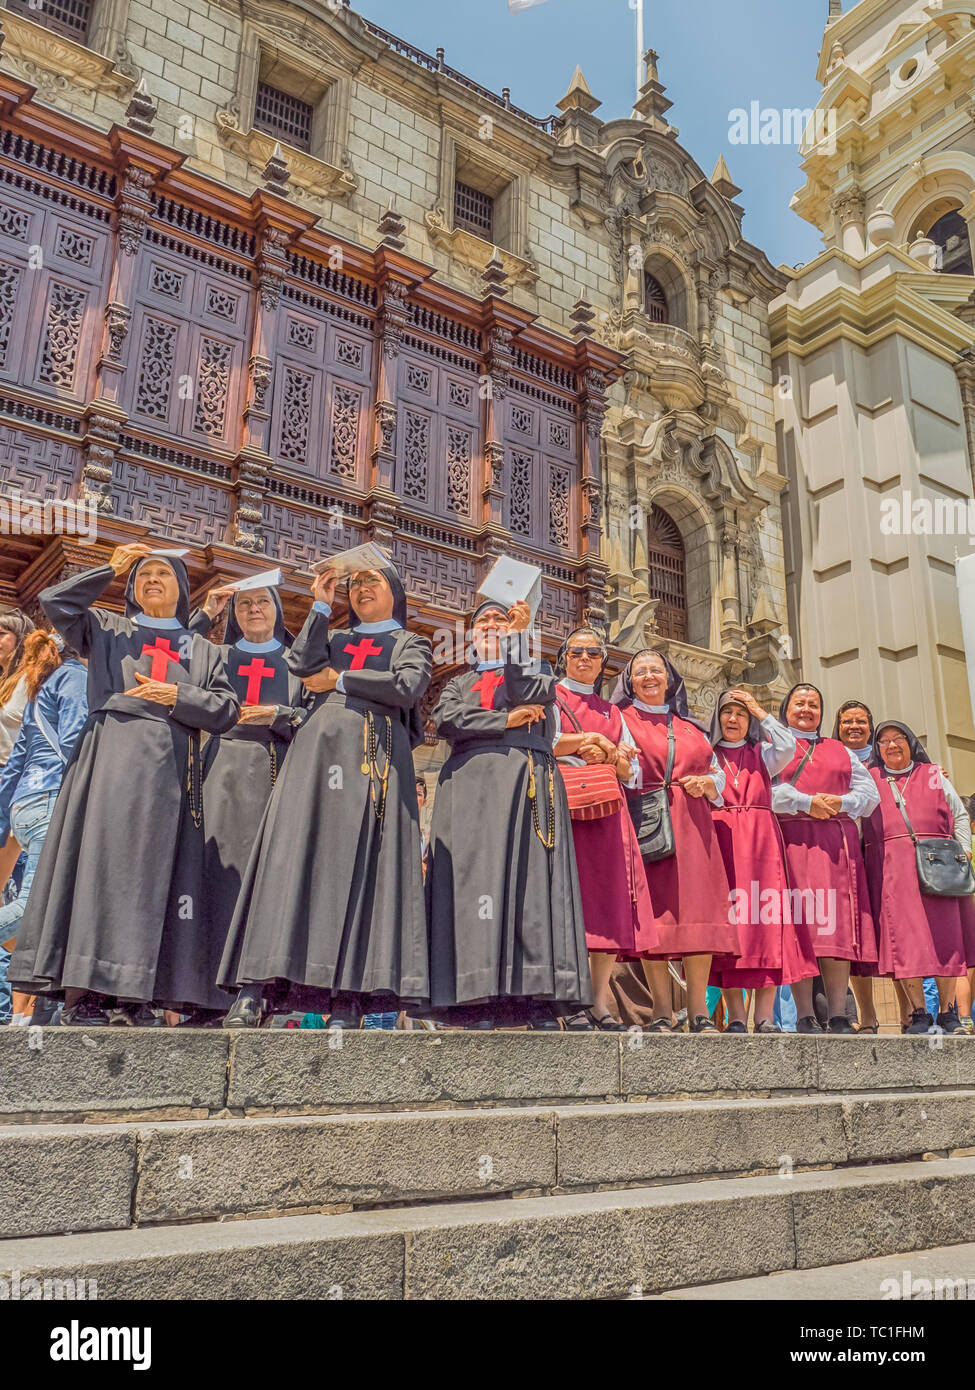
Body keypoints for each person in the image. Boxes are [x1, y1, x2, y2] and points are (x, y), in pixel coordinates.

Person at [8, 544, 239, 1025]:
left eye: (163, 573)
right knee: (100, 872)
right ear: (131, 589)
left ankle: (137, 996)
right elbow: (55, 603)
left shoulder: (205, 650)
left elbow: (226, 709)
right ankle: (86, 995)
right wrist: (109, 568)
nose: (152, 579)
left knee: (158, 880)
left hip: (173, 774)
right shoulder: (109, 629)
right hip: (110, 762)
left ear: (181, 589)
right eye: (143, 574)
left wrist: (178, 694)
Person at [219, 559, 431, 1029]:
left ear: (395, 591)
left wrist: (338, 681)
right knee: (289, 865)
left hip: (372, 762)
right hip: (312, 763)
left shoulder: (411, 643)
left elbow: (406, 686)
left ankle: (348, 999)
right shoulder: (334, 639)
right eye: (353, 585)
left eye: (371, 581)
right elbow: (299, 664)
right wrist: (319, 602)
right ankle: (256, 989)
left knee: (364, 875)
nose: (359, 590)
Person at [425, 600, 591, 1030]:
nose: (493, 625)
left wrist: (518, 641)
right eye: (484, 620)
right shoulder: (459, 682)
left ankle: (535, 997)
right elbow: (447, 718)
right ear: (471, 635)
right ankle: (473, 997)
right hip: (466, 792)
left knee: (528, 884)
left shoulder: (535, 668)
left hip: (524, 786)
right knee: (472, 889)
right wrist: (505, 720)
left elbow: (531, 694)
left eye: (501, 619)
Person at [187, 580, 312, 1027]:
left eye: (262, 602)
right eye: (244, 604)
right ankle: (204, 1000)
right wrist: (205, 612)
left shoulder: (298, 664)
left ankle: (257, 994)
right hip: (219, 772)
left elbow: (317, 717)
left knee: (261, 886)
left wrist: (278, 715)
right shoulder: (218, 657)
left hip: (274, 773)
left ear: (278, 611)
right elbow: (168, 652)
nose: (254, 609)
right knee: (214, 880)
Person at [611, 650, 735, 1034]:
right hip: (649, 822)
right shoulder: (621, 721)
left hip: (695, 825)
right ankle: (662, 1011)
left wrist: (707, 783)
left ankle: (698, 1011)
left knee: (699, 916)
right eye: (641, 672)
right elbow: (624, 773)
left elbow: (720, 776)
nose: (649, 677)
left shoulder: (690, 726)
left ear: (669, 679)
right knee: (657, 918)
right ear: (630, 682)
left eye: (656, 670)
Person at [552, 626, 657, 1030]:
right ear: (564, 657)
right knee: (567, 906)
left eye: (593, 653)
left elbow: (633, 774)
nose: (584, 658)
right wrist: (587, 742)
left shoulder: (615, 712)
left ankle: (597, 1001)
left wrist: (612, 756)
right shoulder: (549, 695)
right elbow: (541, 738)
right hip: (564, 809)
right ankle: (566, 1000)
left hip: (609, 814)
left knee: (607, 908)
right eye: (576, 651)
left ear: (602, 662)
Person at [771, 683, 880, 1034]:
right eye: (799, 704)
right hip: (791, 844)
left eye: (813, 705)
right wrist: (807, 802)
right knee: (799, 929)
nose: (806, 710)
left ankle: (837, 1014)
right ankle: (804, 1014)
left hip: (835, 847)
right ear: (786, 709)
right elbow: (763, 789)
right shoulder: (773, 747)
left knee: (834, 930)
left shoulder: (840, 750)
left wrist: (840, 803)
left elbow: (869, 794)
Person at [708, 689, 817, 1033]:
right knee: (733, 931)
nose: (734, 719)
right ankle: (737, 1016)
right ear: (718, 718)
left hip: (761, 844)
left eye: (741, 714)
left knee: (767, 927)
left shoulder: (763, 754)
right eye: (727, 712)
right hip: (724, 840)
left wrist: (760, 710)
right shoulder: (708, 754)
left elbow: (789, 744)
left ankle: (765, 1016)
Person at [863, 721, 975, 1034]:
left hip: (940, 864)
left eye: (898, 739)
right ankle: (918, 1013)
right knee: (905, 941)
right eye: (883, 741)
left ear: (911, 743)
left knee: (945, 938)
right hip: (892, 869)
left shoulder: (933, 774)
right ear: (878, 748)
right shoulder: (870, 779)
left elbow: (960, 814)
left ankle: (948, 1011)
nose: (891, 745)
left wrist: (964, 851)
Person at [0, 631, 87, 1025]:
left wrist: (5, 820)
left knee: (41, 911)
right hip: (53, 797)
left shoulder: (41, 685)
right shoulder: (75, 678)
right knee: (35, 909)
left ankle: (31, 1015)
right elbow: (74, 743)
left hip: (25, 803)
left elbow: (17, 760)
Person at [832, 699, 881, 1033]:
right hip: (846, 855)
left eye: (861, 722)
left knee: (892, 936)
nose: (854, 727)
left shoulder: (887, 759)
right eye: (847, 721)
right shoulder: (830, 756)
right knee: (855, 938)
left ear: (870, 726)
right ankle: (867, 1015)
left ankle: (911, 1013)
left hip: (883, 856)